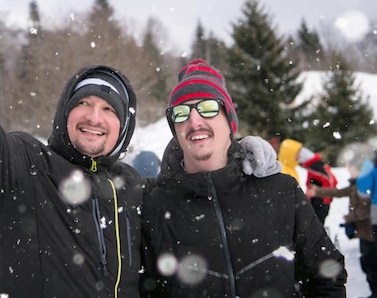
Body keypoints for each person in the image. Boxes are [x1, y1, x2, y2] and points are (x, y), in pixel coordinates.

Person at [0, 0, 280, 298]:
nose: (94, 117)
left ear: (123, 127)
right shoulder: (20, 167)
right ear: (64, 112)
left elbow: (197, 197)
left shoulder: (136, 190)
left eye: (109, 109)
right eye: (84, 103)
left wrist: (236, 157)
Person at [140, 59, 346, 297]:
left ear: (230, 121)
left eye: (208, 107)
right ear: (174, 128)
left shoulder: (280, 190)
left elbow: (327, 276)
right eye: (181, 112)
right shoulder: (153, 208)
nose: (194, 121)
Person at [309, 155, 376, 297]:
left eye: (350, 168)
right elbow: (340, 192)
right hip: (366, 232)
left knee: (371, 264)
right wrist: (318, 191)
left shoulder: (364, 184)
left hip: (370, 231)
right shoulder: (357, 184)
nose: (348, 171)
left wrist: (349, 217)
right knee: (367, 264)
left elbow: (365, 211)